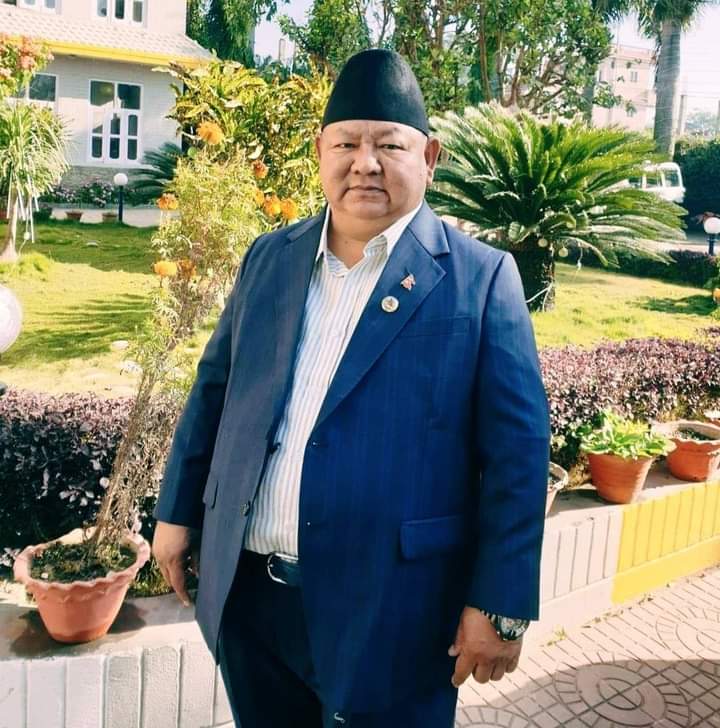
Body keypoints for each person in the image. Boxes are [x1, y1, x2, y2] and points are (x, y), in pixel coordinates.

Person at [153, 48, 550, 728]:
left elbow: (518, 454)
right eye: (346, 144)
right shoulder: (270, 257)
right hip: (250, 599)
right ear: (320, 152)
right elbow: (215, 389)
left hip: (394, 614)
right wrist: (176, 512)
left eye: (388, 145)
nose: (365, 162)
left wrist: (501, 604)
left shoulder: (480, 280)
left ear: (429, 157)